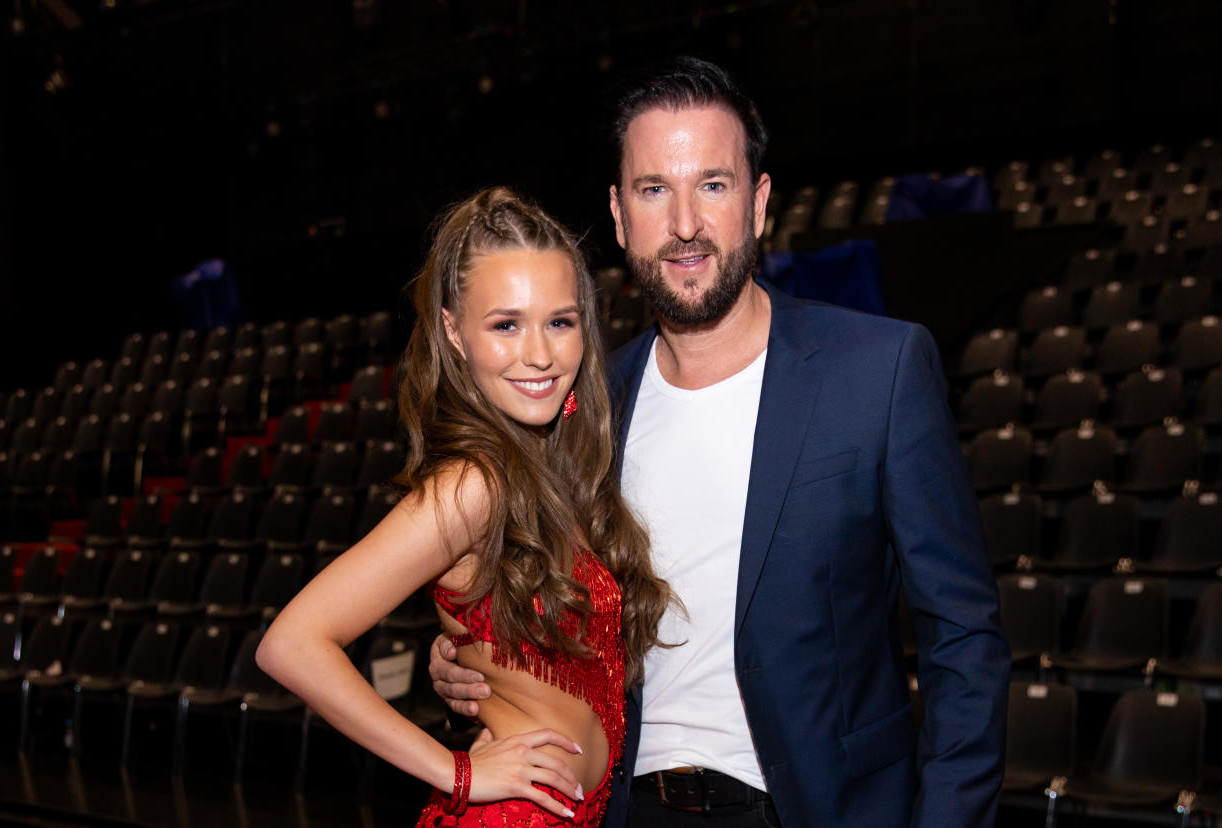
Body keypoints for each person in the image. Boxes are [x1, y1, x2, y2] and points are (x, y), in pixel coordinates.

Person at [430, 58, 1009, 827]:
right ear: (618, 212)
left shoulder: (881, 372)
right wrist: (478, 663)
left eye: (713, 184)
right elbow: (553, 615)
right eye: (653, 190)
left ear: (759, 202)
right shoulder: (582, 404)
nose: (685, 225)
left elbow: (964, 641)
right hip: (625, 809)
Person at [257, 187, 674, 827]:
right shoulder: (474, 483)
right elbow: (291, 644)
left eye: (559, 322)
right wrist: (457, 772)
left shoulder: (559, 473)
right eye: (505, 324)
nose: (539, 353)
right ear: (453, 331)